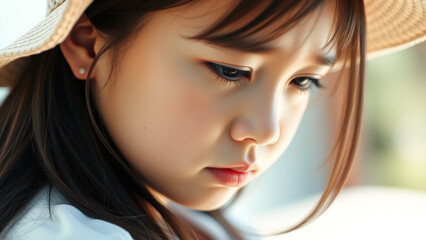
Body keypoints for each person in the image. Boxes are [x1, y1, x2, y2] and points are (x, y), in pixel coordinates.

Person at [0, 0, 425, 239]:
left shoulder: (190, 221)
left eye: (304, 81)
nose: (267, 129)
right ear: (87, 44)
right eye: (230, 71)